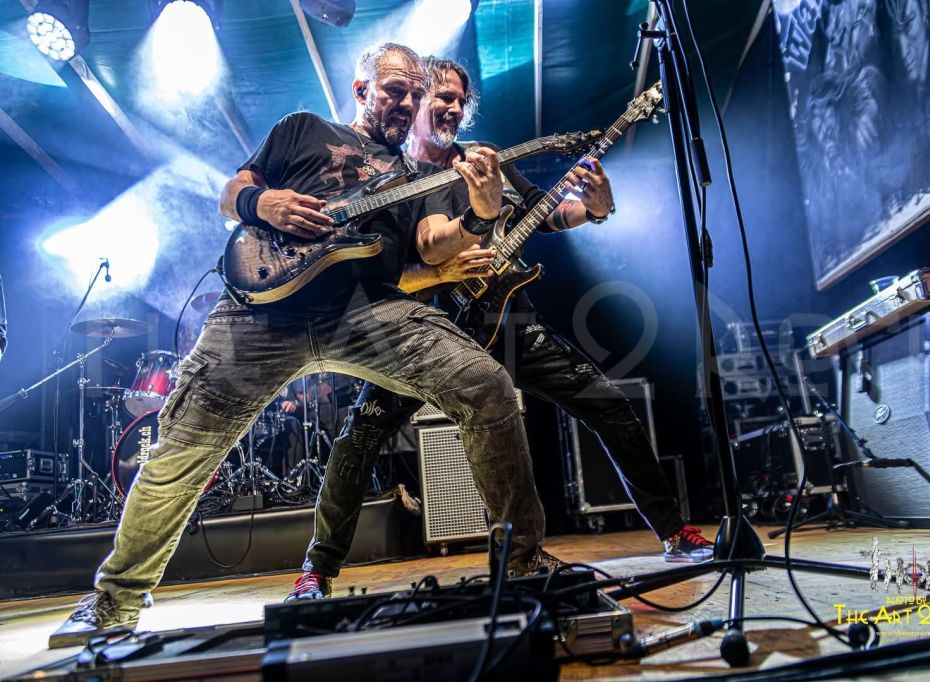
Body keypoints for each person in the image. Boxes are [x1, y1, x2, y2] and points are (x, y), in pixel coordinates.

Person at [49, 43, 549, 648]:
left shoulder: (420, 176)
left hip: (365, 311)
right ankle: (114, 599)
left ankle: (523, 565)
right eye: (396, 90)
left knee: (487, 384)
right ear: (362, 90)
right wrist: (264, 202)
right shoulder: (303, 129)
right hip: (260, 312)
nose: (408, 102)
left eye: (416, 94)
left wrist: (479, 214)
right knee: (179, 451)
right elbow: (232, 192)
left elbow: (430, 245)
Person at [286, 57, 713, 602]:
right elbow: (385, 271)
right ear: (417, 101)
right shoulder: (396, 177)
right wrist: (440, 271)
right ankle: (316, 572)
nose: (453, 107)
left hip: (508, 323)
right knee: (359, 436)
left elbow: (544, 213)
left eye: (460, 100)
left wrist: (595, 209)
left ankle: (673, 532)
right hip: (425, 332)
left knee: (607, 403)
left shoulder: (487, 160)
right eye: (442, 96)